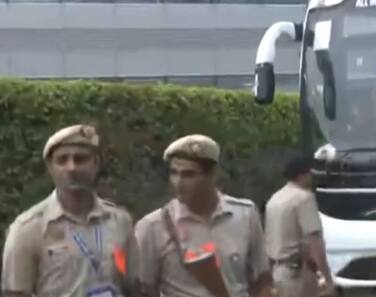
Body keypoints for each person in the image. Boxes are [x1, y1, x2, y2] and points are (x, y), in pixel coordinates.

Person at [1, 124, 140, 297]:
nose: (72, 168)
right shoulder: (27, 229)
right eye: (62, 160)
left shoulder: (120, 222)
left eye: (80, 159)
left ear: (96, 164)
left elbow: (133, 287)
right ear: (50, 168)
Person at [135, 134, 273, 297]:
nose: (178, 183)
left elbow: (262, 278)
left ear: (212, 175)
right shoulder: (153, 226)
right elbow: (142, 289)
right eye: (174, 173)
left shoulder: (244, 214)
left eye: (189, 174)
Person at [265, 156, 335, 297]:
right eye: (310, 173)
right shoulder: (304, 198)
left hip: (277, 271)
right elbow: (314, 240)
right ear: (302, 174)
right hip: (298, 273)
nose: (312, 177)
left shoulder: (274, 199)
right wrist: (327, 278)